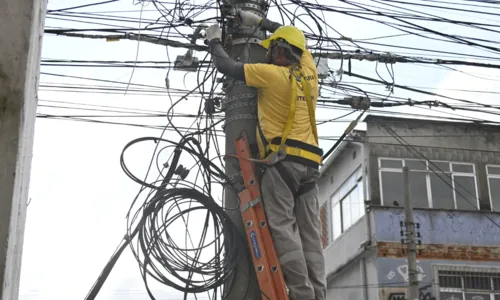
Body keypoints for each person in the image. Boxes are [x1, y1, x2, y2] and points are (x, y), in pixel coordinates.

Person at [205, 10, 326, 300]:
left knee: (284, 231)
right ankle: (318, 294)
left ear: (281, 52)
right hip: (310, 166)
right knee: (310, 237)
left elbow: (228, 66)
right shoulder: (309, 71)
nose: (268, 53)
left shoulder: (271, 75)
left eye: (272, 49)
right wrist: (259, 23)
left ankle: (302, 295)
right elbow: (298, 39)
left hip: (283, 164)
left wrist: (214, 42)